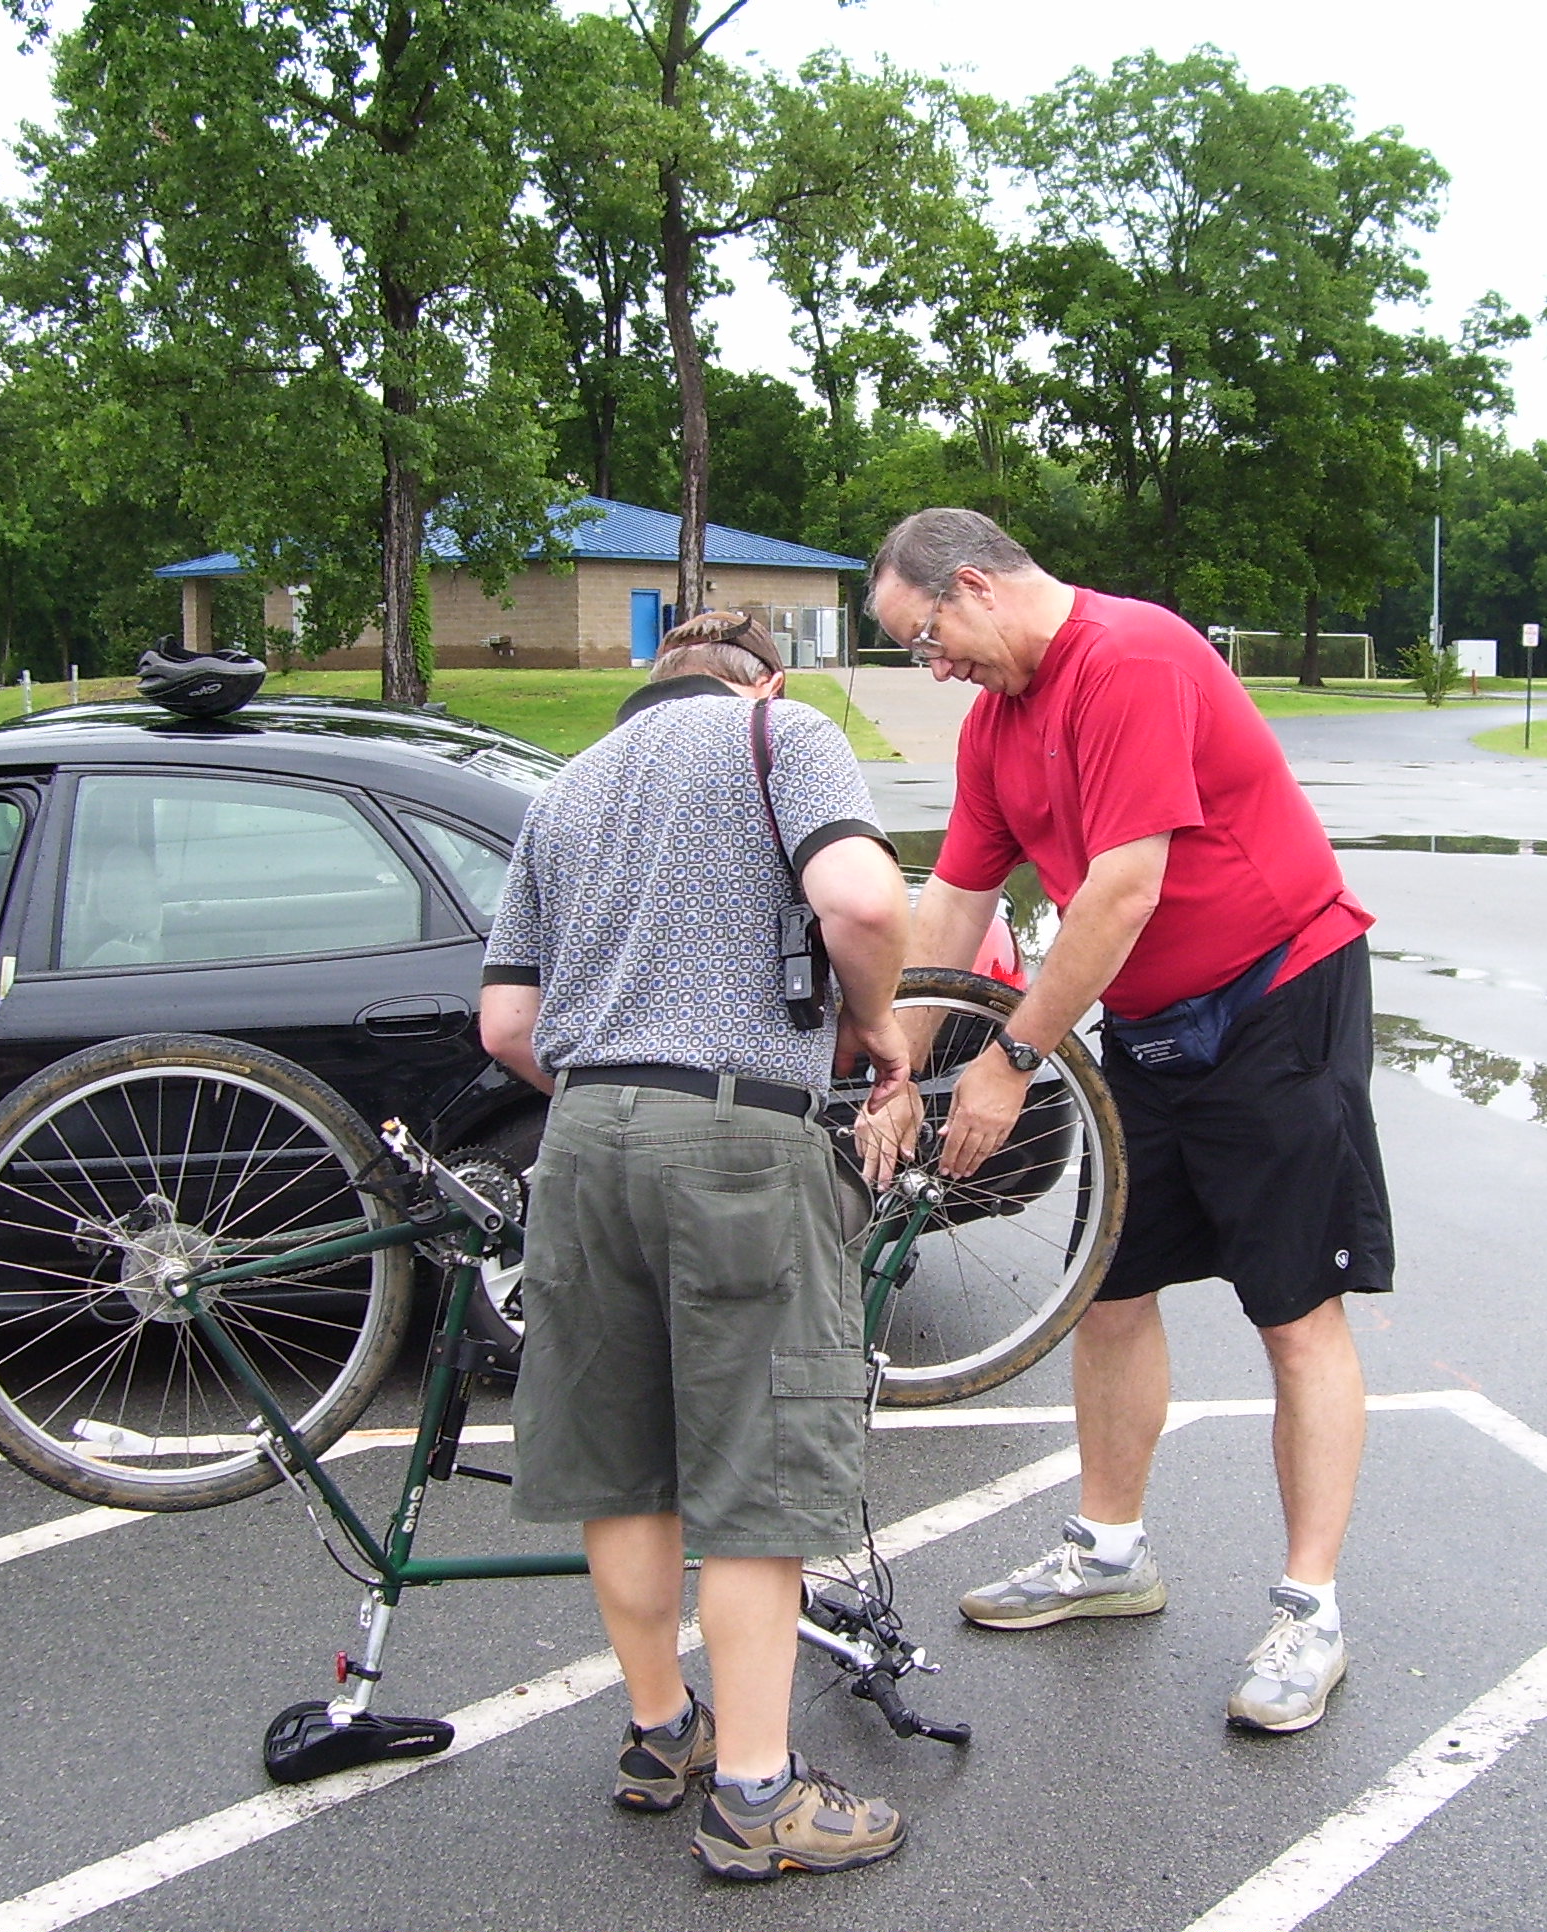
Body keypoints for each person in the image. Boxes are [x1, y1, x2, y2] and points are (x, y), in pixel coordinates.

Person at [865, 509, 1392, 1734]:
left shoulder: (1129, 657)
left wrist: (1010, 1058)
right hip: (1148, 1023)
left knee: (1292, 1311)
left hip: (1275, 1001)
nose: (930, 669)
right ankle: (1108, 1553)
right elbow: (954, 903)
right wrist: (901, 1067)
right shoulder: (996, 725)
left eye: (924, 639)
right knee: (1107, 1289)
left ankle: (1308, 1613)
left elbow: (1123, 888)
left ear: (974, 587)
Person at [478, 610, 924, 1878]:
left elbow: (504, 1022)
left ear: (653, 680)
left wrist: (613, 1090)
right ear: (762, 679)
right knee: (753, 1472)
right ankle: (757, 1797)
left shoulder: (565, 789)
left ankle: (661, 1731)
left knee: (624, 1465)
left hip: (579, 1142)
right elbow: (860, 899)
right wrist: (875, 1024)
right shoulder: (781, 736)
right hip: (736, 1136)